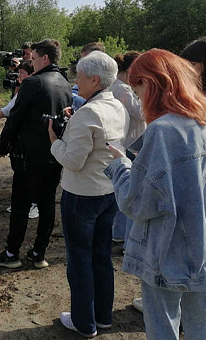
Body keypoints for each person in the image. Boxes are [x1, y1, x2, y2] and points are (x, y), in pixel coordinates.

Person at [105, 49, 206, 340]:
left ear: (152, 84)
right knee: (202, 326)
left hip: (166, 249)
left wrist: (120, 165)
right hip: (203, 249)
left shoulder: (162, 131)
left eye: (138, 92)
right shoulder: (204, 119)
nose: (139, 100)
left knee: (163, 327)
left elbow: (136, 203)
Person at [48, 51, 129, 338]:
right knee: (101, 256)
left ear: (94, 79)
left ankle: (84, 322)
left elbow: (73, 160)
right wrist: (75, 123)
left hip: (81, 194)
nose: (76, 81)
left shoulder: (89, 113)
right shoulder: (118, 106)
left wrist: (55, 140)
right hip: (109, 191)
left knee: (80, 259)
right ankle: (102, 316)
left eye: (79, 76)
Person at [0, 39, 73, 269]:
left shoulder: (33, 83)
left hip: (29, 158)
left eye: (34, 58)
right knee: (47, 204)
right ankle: (39, 253)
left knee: (21, 205)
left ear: (44, 58)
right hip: (54, 155)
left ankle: (11, 253)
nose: (31, 62)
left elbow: (14, 119)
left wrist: (1, 147)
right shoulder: (64, 83)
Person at [0, 60, 39, 218]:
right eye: (18, 74)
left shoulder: (33, 91)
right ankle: (22, 202)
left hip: (30, 139)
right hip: (20, 139)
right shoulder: (22, 91)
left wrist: (1, 146)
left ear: (31, 75)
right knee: (19, 171)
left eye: (22, 74)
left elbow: (13, 116)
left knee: (29, 172)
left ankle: (33, 204)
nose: (18, 78)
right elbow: (7, 109)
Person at [109, 51, 145, 245]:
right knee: (129, 187)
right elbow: (141, 113)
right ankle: (122, 234)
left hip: (126, 142)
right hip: (131, 142)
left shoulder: (119, 86)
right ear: (131, 69)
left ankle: (119, 232)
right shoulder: (122, 89)